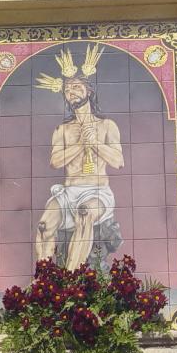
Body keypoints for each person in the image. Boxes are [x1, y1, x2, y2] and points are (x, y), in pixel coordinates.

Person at [34, 45, 124, 268]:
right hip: (68, 190)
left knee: (84, 214)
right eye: (67, 89)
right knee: (44, 226)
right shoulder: (62, 130)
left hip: (96, 191)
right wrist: (81, 144)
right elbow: (55, 161)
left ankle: (71, 281)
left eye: (76, 86)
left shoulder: (106, 125)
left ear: (89, 90)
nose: (71, 91)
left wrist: (94, 143)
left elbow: (118, 161)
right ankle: (44, 281)